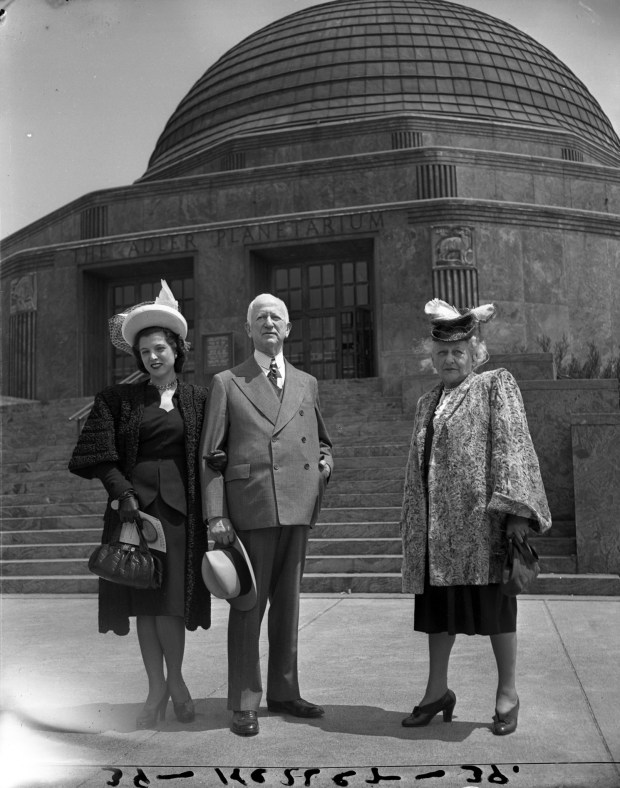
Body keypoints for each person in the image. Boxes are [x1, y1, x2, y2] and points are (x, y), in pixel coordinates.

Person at [400, 299, 551, 735]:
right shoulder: (427, 402)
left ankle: (508, 694)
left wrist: (517, 514)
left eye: (458, 352)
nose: (450, 359)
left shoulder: (493, 385)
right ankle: (436, 692)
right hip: (438, 534)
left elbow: (514, 445)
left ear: (474, 355)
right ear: (433, 358)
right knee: (438, 617)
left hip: (483, 530)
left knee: (496, 615)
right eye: (442, 352)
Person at [68, 281, 210, 728]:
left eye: (160, 349)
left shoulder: (200, 400)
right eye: (145, 351)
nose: (153, 356)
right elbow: (96, 454)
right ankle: (155, 690)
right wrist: (122, 493)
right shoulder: (117, 399)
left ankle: (179, 683)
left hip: (180, 514)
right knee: (143, 604)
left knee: (171, 604)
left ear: (176, 351)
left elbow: (214, 449)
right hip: (133, 514)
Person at [200, 293, 333, 737]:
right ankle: (243, 700)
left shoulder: (307, 382)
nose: (269, 323)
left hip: (297, 505)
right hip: (251, 507)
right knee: (248, 608)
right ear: (248, 329)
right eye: (260, 318)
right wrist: (216, 514)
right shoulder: (227, 382)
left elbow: (325, 442)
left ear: (289, 328)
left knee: (289, 609)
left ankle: (285, 691)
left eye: (276, 317)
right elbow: (211, 456)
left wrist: (323, 469)